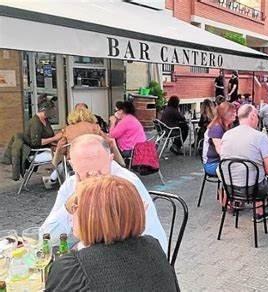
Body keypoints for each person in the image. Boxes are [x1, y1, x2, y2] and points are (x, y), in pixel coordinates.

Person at [45, 175, 179, 291]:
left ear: (94, 218)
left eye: (75, 207)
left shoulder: (72, 269)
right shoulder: (152, 246)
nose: (72, 214)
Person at [39, 134, 168, 251]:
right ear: (72, 165)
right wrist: (72, 201)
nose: (95, 178)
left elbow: (153, 242)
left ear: (111, 159)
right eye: (86, 173)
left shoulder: (126, 185)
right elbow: (46, 238)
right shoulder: (70, 185)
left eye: (101, 171)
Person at [220, 104, 268, 222]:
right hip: (253, 190)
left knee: (255, 173)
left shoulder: (226, 135)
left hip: (230, 188)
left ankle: (256, 210)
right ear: (252, 116)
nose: (258, 119)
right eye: (257, 116)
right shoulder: (260, 137)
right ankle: (262, 211)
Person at [2, 100, 62, 181]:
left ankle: (55, 178)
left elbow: (48, 136)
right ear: (45, 110)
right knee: (63, 155)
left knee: (63, 152)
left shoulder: (45, 120)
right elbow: (36, 143)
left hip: (44, 149)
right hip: (36, 152)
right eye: (52, 110)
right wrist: (54, 138)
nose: (53, 112)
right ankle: (55, 179)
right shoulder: (35, 123)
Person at [202, 102, 236, 176]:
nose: (235, 115)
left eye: (235, 112)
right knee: (239, 169)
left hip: (220, 161)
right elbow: (220, 151)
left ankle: (227, 187)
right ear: (224, 114)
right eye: (232, 113)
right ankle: (229, 187)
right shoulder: (216, 128)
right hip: (211, 164)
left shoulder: (227, 126)